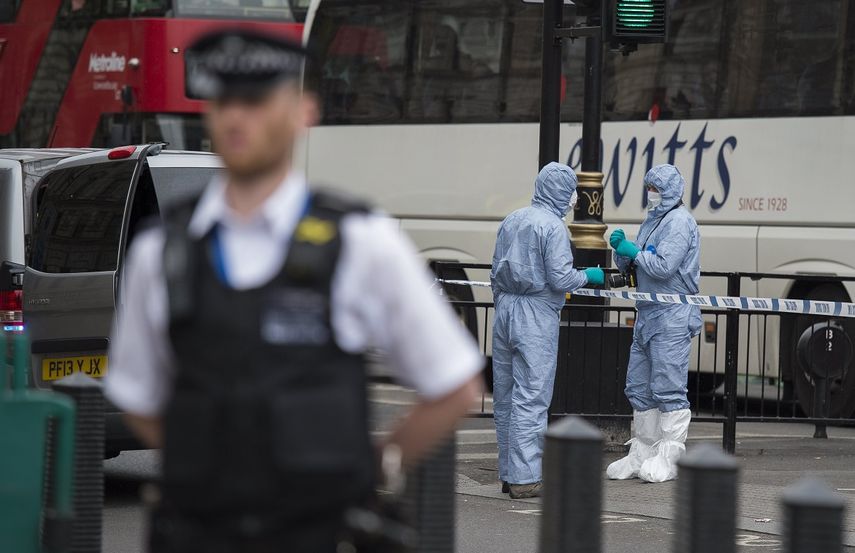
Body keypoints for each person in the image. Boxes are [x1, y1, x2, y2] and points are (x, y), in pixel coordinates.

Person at [104, 29, 483, 553]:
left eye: (257, 101)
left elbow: (455, 385)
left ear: (303, 111)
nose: (237, 118)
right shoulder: (163, 251)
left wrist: (369, 468)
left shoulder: (359, 241)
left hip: (318, 533)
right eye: (223, 101)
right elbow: (137, 396)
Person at [490, 162, 605, 499]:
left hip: (506, 310)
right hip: (536, 314)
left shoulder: (513, 219)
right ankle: (526, 478)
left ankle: (510, 475)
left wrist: (505, 305)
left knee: (506, 398)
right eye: (572, 192)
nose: (573, 199)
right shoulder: (553, 227)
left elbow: (496, 270)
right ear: (561, 192)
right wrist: (588, 276)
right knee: (531, 397)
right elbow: (560, 279)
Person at [606, 164, 701, 483]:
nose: (651, 194)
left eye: (656, 188)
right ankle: (642, 453)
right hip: (648, 311)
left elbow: (663, 267)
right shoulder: (654, 220)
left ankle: (671, 454)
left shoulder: (680, 222)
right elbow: (639, 265)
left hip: (672, 315)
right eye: (649, 187)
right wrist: (622, 253)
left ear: (670, 192)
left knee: (668, 384)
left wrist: (634, 250)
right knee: (639, 385)